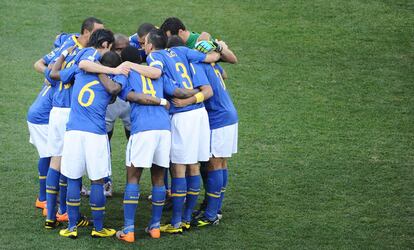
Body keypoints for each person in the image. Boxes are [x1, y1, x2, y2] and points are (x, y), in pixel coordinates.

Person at [115, 47, 200, 243]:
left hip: (143, 130)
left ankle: (128, 229)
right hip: (164, 129)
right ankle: (154, 227)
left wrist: (160, 101)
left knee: (133, 177)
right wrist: (200, 91)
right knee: (159, 178)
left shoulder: (126, 73)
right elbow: (179, 91)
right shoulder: (156, 72)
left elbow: (135, 97)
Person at [58, 29, 128, 239]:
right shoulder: (118, 76)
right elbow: (115, 92)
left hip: (73, 131)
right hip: (96, 133)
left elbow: (63, 74)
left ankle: (71, 227)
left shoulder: (82, 69)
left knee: (72, 179)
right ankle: (98, 228)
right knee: (97, 181)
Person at [39, 17, 105, 228]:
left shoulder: (68, 48)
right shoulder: (89, 57)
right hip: (71, 113)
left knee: (56, 162)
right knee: (69, 167)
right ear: (86, 32)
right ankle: (64, 213)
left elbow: (50, 75)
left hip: (57, 111)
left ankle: (51, 216)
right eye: (95, 33)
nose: (97, 38)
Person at [173, 44, 238, 226]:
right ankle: (215, 208)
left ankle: (210, 215)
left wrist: (186, 101)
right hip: (228, 114)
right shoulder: (212, 65)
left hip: (218, 118)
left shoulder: (198, 66)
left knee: (214, 164)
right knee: (221, 163)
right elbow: (224, 74)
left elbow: (206, 92)